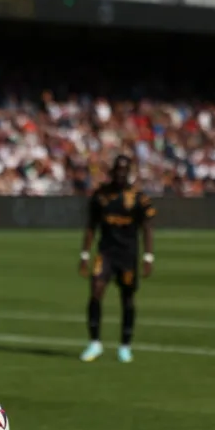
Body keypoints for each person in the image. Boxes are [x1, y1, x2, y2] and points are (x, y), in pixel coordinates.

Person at [78, 154, 155, 363]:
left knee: (127, 298)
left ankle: (125, 345)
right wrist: (84, 254)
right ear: (112, 172)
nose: (121, 174)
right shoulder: (101, 196)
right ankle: (94, 342)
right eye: (118, 170)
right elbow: (91, 226)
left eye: (124, 170)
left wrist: (148, 257)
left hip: (128, 255)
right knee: (96, 289)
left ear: (128, 172)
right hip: (106, 252)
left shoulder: (138, 198)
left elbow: (147, 228)